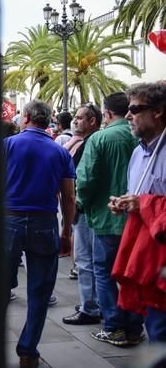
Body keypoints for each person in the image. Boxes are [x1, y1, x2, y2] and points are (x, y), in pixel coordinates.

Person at [4, 100, 76, 368]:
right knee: (40, 291)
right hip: (44, 222)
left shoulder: (7, 145)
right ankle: (28, 350)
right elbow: (68, 197)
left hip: (8, 220)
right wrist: (67, 230)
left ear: (26, 118)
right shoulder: (60, 152)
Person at [76, 92, 144, 346]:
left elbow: (86, 179)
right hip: (137, 217)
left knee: (104, 272)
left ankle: (114, 325)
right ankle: (135, 326)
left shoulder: (99, 138)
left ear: (106, 114)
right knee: (132, 273)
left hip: (106, 218)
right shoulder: (142, 137)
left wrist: (81, 204)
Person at [110, 83, 166, 343]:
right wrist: (124, 204)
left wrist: (143, 203)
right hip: (146, 258)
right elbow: (139, 196)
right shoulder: (137, 152)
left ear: (158, 111)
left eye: (134, 109)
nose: (128, 115)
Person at [61, 103, 103, 326]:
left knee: (85, 260)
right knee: (94, 262)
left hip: (88, 210)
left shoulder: (92, 142)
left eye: (79, 118)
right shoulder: (85, 141)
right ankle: (94, 303)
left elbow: (84, 179)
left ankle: (90, 307)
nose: (75, 121)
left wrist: (76, 205)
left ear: (92, 121)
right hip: (98, 209)